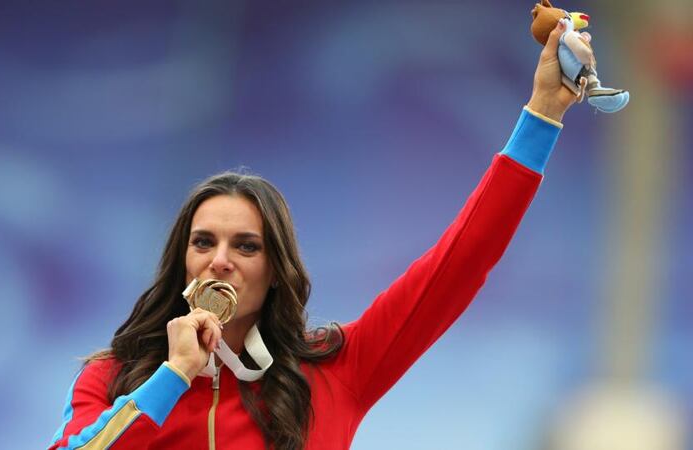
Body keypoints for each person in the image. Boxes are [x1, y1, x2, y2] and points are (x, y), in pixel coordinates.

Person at [48, 21, 577, 450]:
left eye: (246, 246)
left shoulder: (335, 367)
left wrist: (544, 113)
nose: (221, 261)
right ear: (182, 261)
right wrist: (174, 375)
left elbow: (458, 263)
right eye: (204, 242)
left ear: (276, 270)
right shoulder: (114, 378)